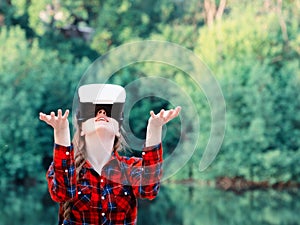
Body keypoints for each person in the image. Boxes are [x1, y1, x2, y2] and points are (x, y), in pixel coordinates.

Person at [39, 84, 181, 225]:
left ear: (118, 129)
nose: (101, 113)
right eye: (94, 111)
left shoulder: (130, 168)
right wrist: (61, 133)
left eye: (108, 111)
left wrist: (155, 130)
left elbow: (148, 189)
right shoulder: (66, 169)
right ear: (82, 129)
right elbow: (63, 193)